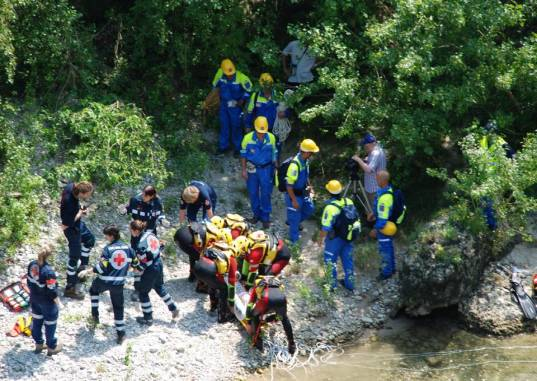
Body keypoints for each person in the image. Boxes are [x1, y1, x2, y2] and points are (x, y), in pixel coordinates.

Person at [82, 225, 136, 344]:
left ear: (111, 236)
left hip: (104, 281)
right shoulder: (128, 248)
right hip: (119, 283)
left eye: (106, 236)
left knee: (93, 290)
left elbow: (102, 267)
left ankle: (95, 315)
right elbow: (136, 264)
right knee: (118, 307)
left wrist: (89, 271)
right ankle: (121, 334)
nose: (106, 238)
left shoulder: (108, 249)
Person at [121, 185, 168, 302]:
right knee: (137, 260)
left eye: (146, 195)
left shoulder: (157, 201)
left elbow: (159, 214)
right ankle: (137, 288)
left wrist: (163, 220)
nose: (143, 196)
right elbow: (128, 209)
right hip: (137, 235)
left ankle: (156, 282)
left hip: (151, 236)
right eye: (143, 193)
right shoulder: (135, 200)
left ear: (152, 196)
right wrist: (123, 210)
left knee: (153, 258)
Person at [130, 220, 179, 325]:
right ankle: (173, 308)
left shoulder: (140, 246)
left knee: (143, 293)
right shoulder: (150, 234)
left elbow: (143, 264)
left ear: (135, 231)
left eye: (131, 230)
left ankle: (148, 318)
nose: (130, 232)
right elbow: (161, 246)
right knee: (159, 287)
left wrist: (135, 269)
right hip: (159, 263)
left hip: (151, 269)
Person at [317, 180, 359, 291]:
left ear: (329, 192)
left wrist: (320, 239)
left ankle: (331, 286)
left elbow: (325, 227)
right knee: (348, 260)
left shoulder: (330, 208)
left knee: (330, 260)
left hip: (334, 239)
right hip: (348, 236)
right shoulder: (349, 201)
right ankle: (350, 284)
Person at [240, 116, 278, 228]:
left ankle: (265, 218)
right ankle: (256, 215)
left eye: (263, 132)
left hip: (266, 169)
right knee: (253, 193)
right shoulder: (247, 138)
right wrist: (243, 170)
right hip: (251, 169)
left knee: (266, 193)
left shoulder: (271, 138)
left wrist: (276, 165)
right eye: (259, 132)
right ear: (255, 129)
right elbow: (243, 155)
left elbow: (274, 152)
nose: (261, 134)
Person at [60, 181, 95, 299]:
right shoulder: (70, 203)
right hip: (72, 229)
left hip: (78, 225)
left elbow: (70, 182)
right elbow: (66, 224)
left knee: (90, 240)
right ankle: (70, 287)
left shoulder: (72, 186)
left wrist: (80, 209)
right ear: (81, 193)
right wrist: (80, 212)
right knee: (74, 257)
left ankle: (82, 270)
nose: (89, 196)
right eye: (88, 194)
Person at [212, 58, 252, 156]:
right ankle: (223, 147)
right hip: (224, 105)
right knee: (224, 125)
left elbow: (250, 90)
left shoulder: (241, 77)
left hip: (235, 105)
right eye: (227, 74)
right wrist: (214, 98)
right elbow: (214, 86)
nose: (230, 76)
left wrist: (242, 100)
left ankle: (238, 148)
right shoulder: (220, 74)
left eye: (231, 74)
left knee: (236, 126)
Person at [245, 276, 295, 354]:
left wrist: (248, 322)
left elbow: (250, 304)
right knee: (283, 318)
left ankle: (258, 342)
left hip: (266, 299)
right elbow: (278, 295)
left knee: (254, 315)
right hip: (281, 299)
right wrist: (273, 318)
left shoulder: (257, 284)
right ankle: (292, 344)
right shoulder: (277, 281)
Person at [479, 120, 515, 230]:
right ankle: (492, 226)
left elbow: (513, 156)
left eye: (491, 132)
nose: (489, 134)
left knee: (489, 201)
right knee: (486, 201)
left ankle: (496, 226)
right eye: (488, 132)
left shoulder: (501, 142)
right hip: (486, 176)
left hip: (498, 177)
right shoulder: (483, 141)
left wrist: (509, 172)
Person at [27, 246, 62, 356]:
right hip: (47, 303)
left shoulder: (32, 265)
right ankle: (51, 347)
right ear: (49, 256)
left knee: (36, 322)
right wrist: (59, 303)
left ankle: (38, 345)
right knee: (50, 324)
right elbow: (52, 291)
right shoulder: (48, 271)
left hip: (34, 299)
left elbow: (29, 282)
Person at [285, 139, 319, 242]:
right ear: (307, 152)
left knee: (310, 209)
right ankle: (294, 242)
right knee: (295, 219)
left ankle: (292, 221)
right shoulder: (294, 165)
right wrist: (294, 201)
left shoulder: (305, 161)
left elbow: (306, 176)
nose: (313, 154)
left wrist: (311, 187)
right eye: (312, 152)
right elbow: (289, 186)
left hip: (303, 192)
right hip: (293, 195)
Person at [193, 244, 237, 323]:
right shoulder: (232, 258)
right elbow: (232, 282)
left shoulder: (214, 248)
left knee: (212, 282)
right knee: (224, 289)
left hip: (197, 269)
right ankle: (222, 317)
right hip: (208, 272)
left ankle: (213, 307)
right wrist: (231, 302)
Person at [368, 171, 396, 280]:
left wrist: (375, 230)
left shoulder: (385, 198)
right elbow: (378, 207)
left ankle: (386, 272)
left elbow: (383, 218)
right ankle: (391, 268)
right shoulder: (384, 191)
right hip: (385, 225)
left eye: (377, 179)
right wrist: (373, 214)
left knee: (385, 249)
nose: (376, 180)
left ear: (382, 181)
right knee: (389, 247)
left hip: (384, 228)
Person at [352, 133, 387, 208]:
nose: (365, 147)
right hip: (375, 185)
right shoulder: (378, 149)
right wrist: (366, 160)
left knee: (372, 209)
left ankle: (371, 219)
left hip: (374, 188)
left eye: (366, 145)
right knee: (370, 206)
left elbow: (369, 170)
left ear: (372, 143)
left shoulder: (375, 153)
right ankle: (368, 215)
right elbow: (373, 163)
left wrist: (358, 159)